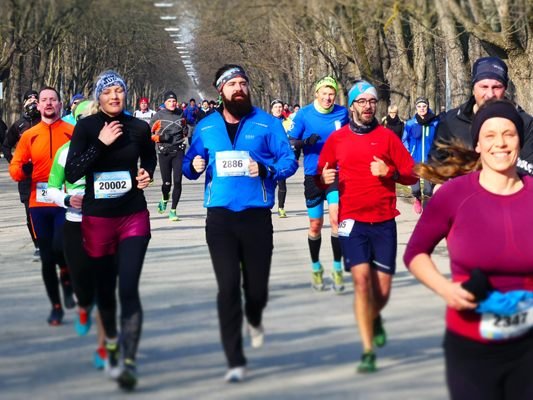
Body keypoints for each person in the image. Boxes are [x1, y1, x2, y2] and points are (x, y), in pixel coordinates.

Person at [404, 99, 533, 400]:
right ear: (477, 144)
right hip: (471, 345)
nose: (500, 143)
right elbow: (415, 252)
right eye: (489, 135)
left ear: (519, 141)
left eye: (509, 134)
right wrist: (445, 289)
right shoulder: (454, 195)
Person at [183, 64, 297, 383]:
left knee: (256, 290)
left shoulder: (267, 124)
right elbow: (190, 167)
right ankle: (235, 358)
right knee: (229, 286)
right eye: (232, 84)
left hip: (256, 216)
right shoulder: (205, 127)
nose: (239, 89)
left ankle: (255, 316)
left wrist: (265, 169)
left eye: (243, 83)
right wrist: (193, 165)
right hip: (220, 217)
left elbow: (288, 162)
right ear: (220, 91)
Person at [65, 70, 157, 391]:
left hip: (133, 216)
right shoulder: (87, 127)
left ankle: (129, 361)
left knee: (128, 288)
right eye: (108, 92)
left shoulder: (139, 127)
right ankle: (113, 342)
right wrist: (101, 145)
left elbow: (149, 160)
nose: (114, 96)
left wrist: (146, 175)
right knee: (106, 291)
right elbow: (73, 169)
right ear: (98, 97)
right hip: (98, 219)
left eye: (119, 91)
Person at [319, 80, 417, 373]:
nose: (367, 107)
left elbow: (412, 173)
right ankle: (367, 349)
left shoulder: (387, 137)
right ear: (351, 107)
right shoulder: (337, 140)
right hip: (352, 221)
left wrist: (391, 172)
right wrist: (325, 185)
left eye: (372, 102)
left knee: (382, 291)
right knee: (362, 284)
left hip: (384, 220)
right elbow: (322, 174)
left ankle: (375, 317)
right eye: (361, 102)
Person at [47, 99, 108, 369]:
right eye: (86, 120)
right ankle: (83, 306)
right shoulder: (64, 151)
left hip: (106, 223)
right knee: (82, 281)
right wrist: (68, 198)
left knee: (106, 287)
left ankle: (105, 347)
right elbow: (50, 189)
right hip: (75, 223)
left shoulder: (112, 151)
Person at [9, 87, 75, 325]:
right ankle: (56, 307)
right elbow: (14, 166)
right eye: (44, 100)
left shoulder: (72, 132)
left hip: (65, 200)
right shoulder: (29, 135)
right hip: (38, 202)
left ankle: (66, 275)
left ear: (60, 104)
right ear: (38, 106)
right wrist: (22, 171)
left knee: (61, 247)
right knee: (47, 257)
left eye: (53, 100)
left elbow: (86, 158)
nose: (48, 103)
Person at [287, 76, 349, 293]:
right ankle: (316, 267)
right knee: (315, 225)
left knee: (336, 219)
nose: (328, 97)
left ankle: (337, 268)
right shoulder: (304, 114)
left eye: (331, 93)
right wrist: (305, 142)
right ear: (316, 94)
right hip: (313, 175)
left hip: (336, 173)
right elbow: (290, 140)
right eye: (324, 93)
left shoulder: (343, 113)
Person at [430, 56, 533, 177]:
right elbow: (436, 165)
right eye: (484, 87)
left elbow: (528, 172)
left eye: (496, 87)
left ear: (505, 89)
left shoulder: (525, 123)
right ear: (473, 88)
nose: (490, 94)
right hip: (462, 193)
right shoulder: (450, 122)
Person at [3, 89, 42, 261]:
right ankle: (38, 245)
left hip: (46, 175)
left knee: (49, 210)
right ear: (24, 103)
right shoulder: (18, 125)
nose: (33, 101)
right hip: (26, 178)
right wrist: (15, 163)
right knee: (30, 213)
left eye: (36, 98)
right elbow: (5, 146)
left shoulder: (46, 121)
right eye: (29, 99)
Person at [150, 90, 188, 221]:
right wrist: (160, 137)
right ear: (165, 102)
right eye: (169, 101)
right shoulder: (158, 116)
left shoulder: (181, 114)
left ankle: (173, 210)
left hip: (178, 151)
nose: (172, 103)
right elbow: (149, 134)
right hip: (164, 151)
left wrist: (183, 137)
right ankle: (165, 197)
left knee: (177, 181)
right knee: (167, 183)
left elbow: (184, 130)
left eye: (174, 101)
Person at [402, 97, 439, 213]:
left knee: (428, 189)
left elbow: (440, 138)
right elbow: (404, 139)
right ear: (416, 108)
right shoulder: (410, 124)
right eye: (419, 106)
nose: (422, 109)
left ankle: (427, 204)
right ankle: (417, 198)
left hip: (429, 158)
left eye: (424, 106)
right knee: (415, 187)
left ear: (428, 107)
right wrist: (409, 151)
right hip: (415, 158)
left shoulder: (435, 123)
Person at [270, 99, 289, 218]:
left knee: (282, 182)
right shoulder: (267, 122)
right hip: (270, 156)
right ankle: (268, 204)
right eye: (276, 107)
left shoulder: (287, 122)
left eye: (280, 107)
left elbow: (292, 138)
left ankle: (281, 207)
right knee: (271, 182)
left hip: (282, 156)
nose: (278, 109)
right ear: (271, 109)